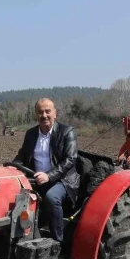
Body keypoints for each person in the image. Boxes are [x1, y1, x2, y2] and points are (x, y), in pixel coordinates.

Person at [12, 98, 79, 242]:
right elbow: (22, 155)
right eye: (40, 112)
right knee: (12, 195)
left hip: (62, 180)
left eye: (48, 111)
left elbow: (70, 159)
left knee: (51, 198)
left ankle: (57, 242)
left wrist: (49, 175)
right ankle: (22, 237)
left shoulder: (67, 132)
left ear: (55, 113)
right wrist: (13, 166)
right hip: (36, 178)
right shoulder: (31, 134)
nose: (44, 115)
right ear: (36, 114)